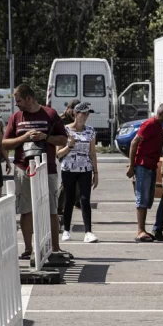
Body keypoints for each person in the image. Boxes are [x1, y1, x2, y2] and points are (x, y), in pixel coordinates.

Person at [2, 84, 68, 260]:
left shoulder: (50, 114)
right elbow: (5, 143)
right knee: (26, 210)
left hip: (48, 168)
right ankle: (28, 248)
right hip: (23, 168)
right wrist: (24, 137)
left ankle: (55, 248)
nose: (17, 104)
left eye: (19, 101)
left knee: (52, 209)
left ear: (29, 98)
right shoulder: (16, 117)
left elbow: (63, 139)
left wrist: (44, 137)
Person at [126, 103, 163, 242]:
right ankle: (140, 231)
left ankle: (143, 229)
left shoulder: (158, 126)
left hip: (151, 165)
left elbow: (156, 139)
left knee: (147, 198)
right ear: (161, 114)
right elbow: (135, 142)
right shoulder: (149, 124)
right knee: (142, 197)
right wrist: (131, 165)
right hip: (143, 165)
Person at [57, 102, 99, 243]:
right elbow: (58, 153)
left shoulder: (90, 131)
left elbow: (92, 153)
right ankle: (66, 230)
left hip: (85, 169)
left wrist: (96, 172)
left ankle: (88, 232)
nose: (85, 116)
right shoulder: (65, 130)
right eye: (83, 113)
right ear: (75, 114)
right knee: (69, 199)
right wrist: (69, 145)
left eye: (87, 114)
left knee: (85, 199)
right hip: (69, 168)